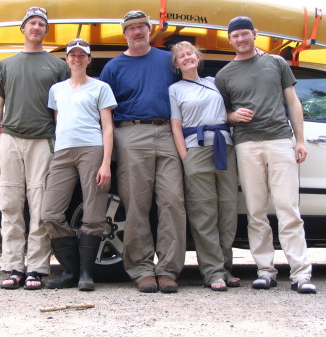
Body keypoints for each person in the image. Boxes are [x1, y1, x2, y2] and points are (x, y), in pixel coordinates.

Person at [215, 16, 316, 294]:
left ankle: (300, 274)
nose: (240, 39)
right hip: (246, 146)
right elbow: (218, 114)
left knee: (288, 210)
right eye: (235, 36)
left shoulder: (277, 63)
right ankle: (265, 271)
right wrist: (232, 115)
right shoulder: (225, 75)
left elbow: (293, 101)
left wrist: (300, 140)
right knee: (256, 212)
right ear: (230, 39)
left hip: (280, 141)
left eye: (245, 34)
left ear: (254, 34)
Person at [100, 10, 186, 293]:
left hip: (167, 132)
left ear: (150, 31)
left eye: (142, 27)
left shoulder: (167, 59)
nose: (137, 32)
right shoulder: (113, 67)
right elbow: (104, 111)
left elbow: (188, 85)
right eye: (131, 28)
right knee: (136, 203)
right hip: (130, 134)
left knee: (172, 201)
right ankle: (141, 269)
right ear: (125, 34)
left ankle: (169, 269)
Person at [0, 6, 70, 290]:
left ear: (46, 31)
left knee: (39, 207)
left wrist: (62, 144)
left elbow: (62, 109)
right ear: (23, 28)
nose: (36, 28)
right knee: (9, 204)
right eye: (32, 23)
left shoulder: (58, 65)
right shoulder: (6, 64)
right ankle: (13, 267)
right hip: (9, 139)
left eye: (41, 24)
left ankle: (36, 268)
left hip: (43, 141)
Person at [41, 38, 116, 291]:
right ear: (67, 59)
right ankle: (70, 270)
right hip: (62, 153)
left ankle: (86, 274)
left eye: (81, 55)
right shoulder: (57, 90)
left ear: (88, 60)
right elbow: (58, 122)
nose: (76, 58)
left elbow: (107, 126)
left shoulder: (101, 87)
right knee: (50, 213)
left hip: (92, 150)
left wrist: (106, 162)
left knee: (93, 214)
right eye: (72, 54)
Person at [169, 41, 240, 291]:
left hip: (224, 147)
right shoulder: (175, 89)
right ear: (176, 64)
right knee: (204, 212)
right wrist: (185, 157)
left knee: (228, 209)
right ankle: (212, 272)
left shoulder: (214, 82)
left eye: (190, 53)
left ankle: (226, 267)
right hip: (195, 150)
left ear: (198, 57)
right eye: (181, 56)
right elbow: (175, 126)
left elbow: (229, 109)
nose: (187, 57)